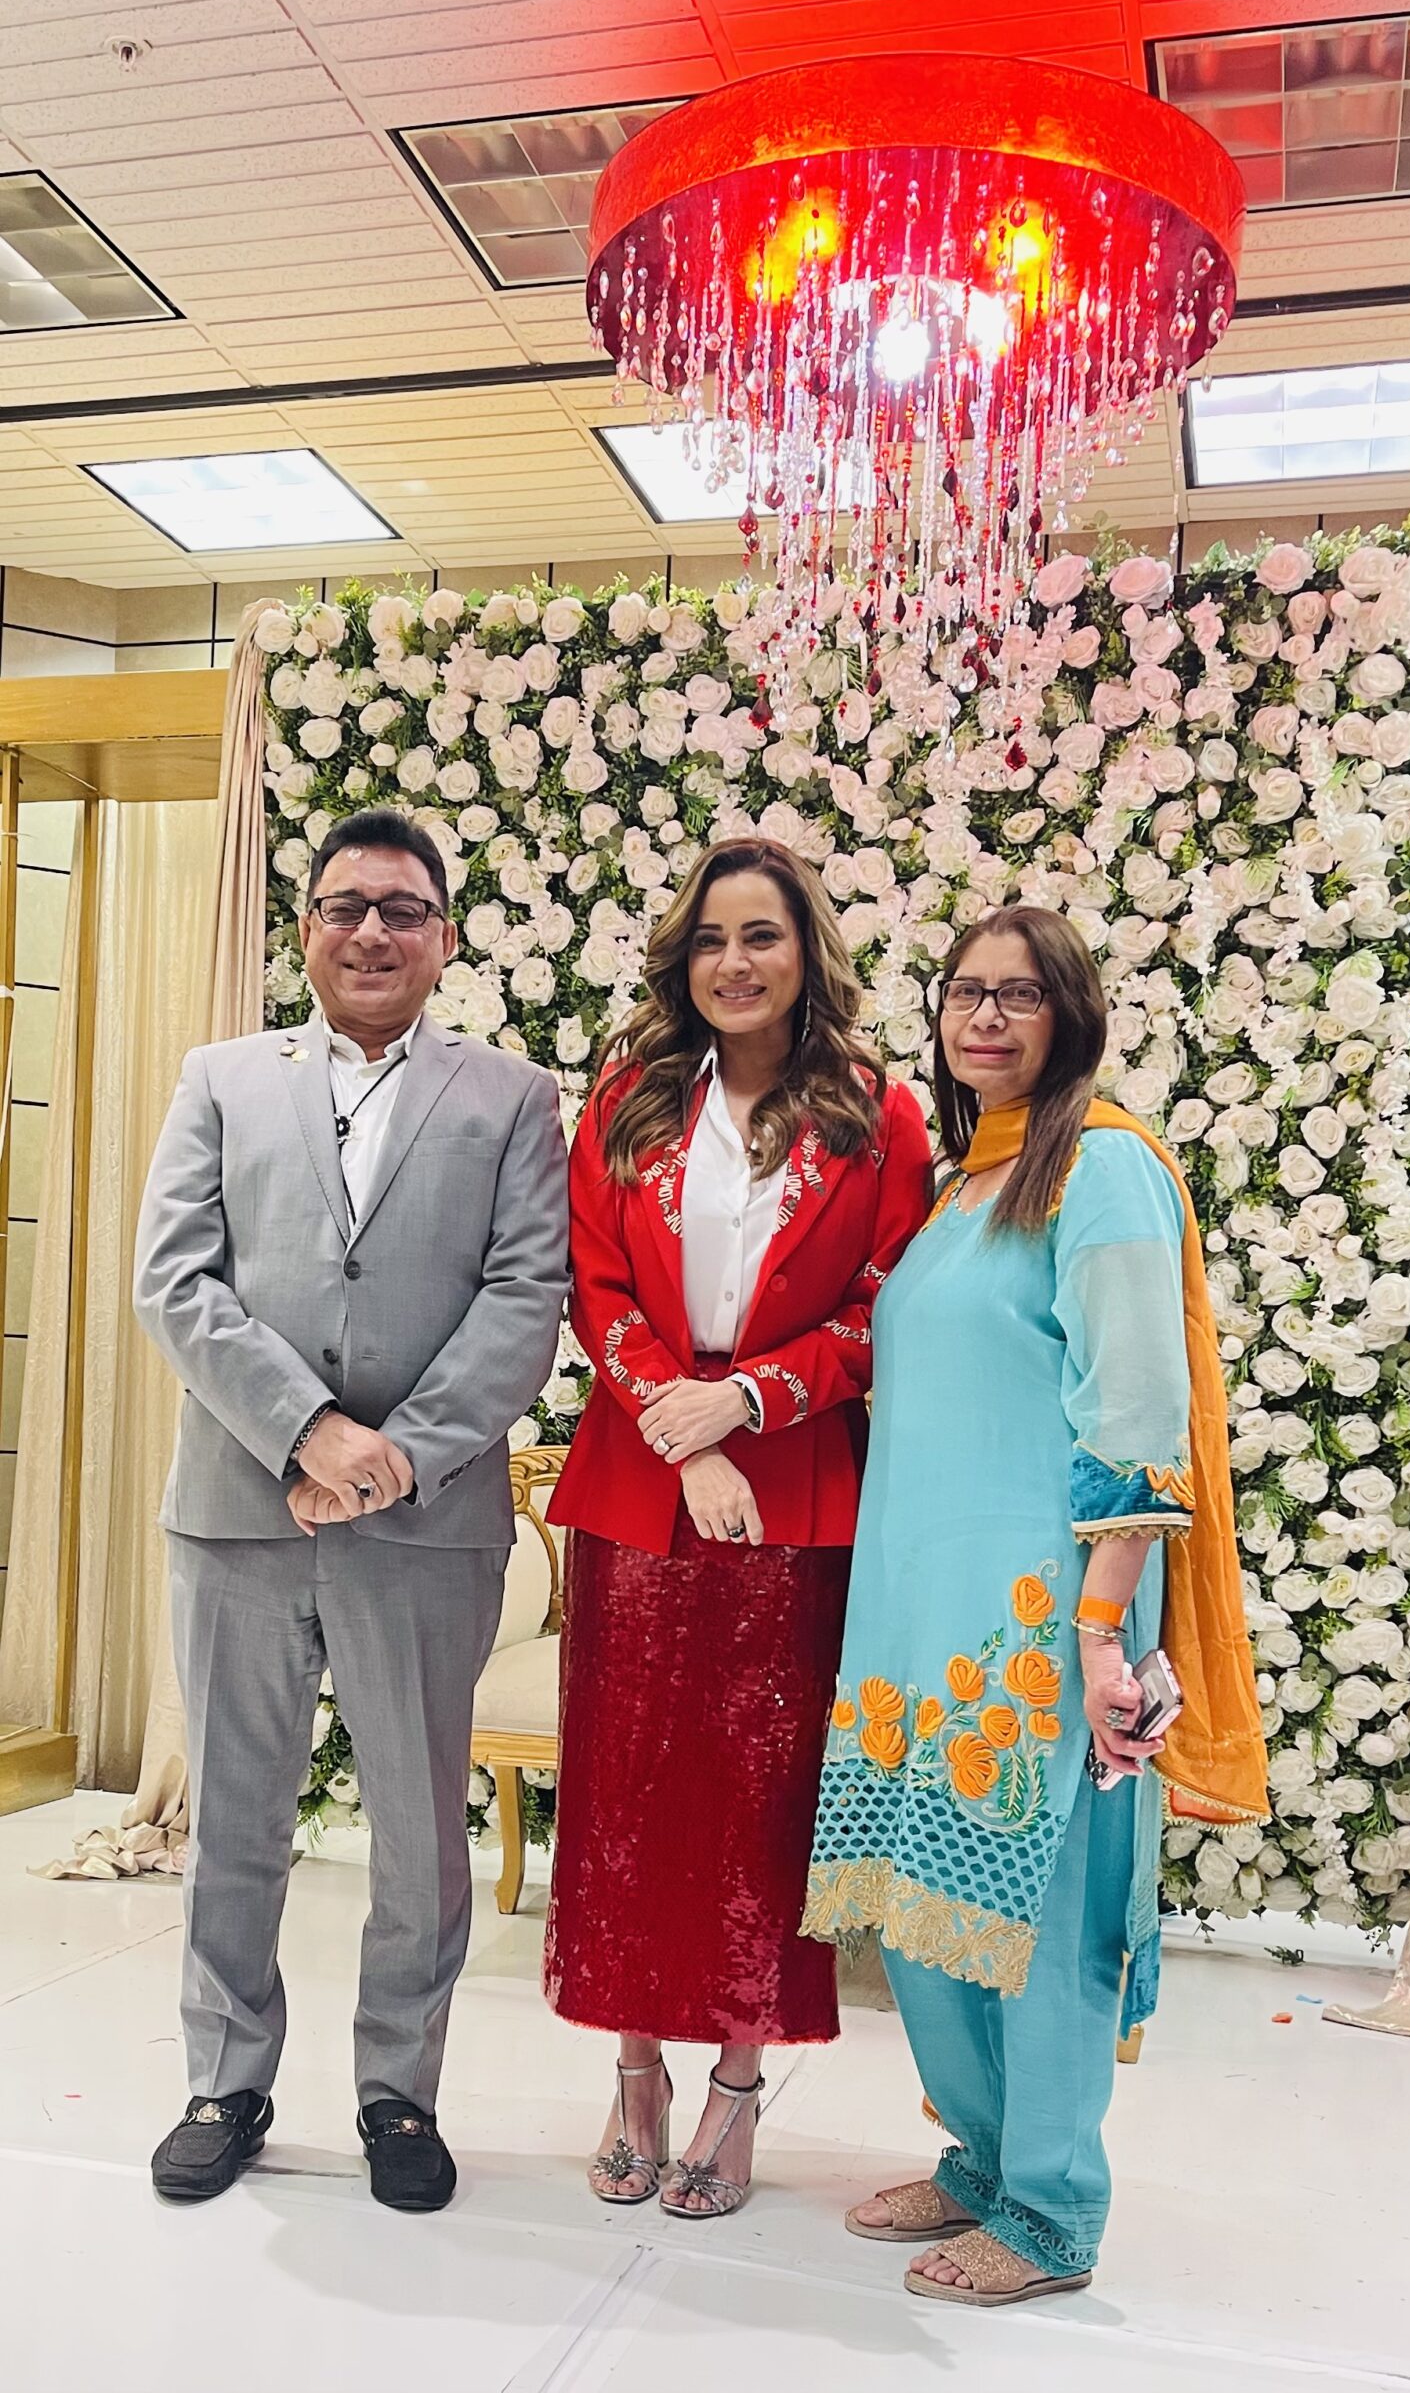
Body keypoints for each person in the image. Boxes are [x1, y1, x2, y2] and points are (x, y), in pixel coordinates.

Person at [804, 905, 1268, 2307]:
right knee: (934, 1908)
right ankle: (985, 2158)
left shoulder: (1102, 1170)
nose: (984, 1018)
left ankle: (1054, 2209)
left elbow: (1135, 1408)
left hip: (1040, 1621)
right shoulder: (964, 1184)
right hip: (912, 1612)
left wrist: (1100, 1624)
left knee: (1043, 1915)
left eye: (1018, 995)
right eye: (962, 993)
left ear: (1071, 1014)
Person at [134, 808, 568, 2213]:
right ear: (305, 929)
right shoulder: (218, 1078)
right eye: (343, 906)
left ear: (443, 937)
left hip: (424, 1528)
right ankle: (226, 2080)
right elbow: (177, 1281)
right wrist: (307, 1431)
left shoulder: (510, 1097)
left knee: (418, 1834)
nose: (370, 931)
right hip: (238, 1513)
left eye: (400, 909)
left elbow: (523, 1296)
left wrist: (399, 1454)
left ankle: (398, 2094)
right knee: (239, 1818)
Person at [544, 837, 935, 2219]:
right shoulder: (629, 1104)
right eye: (711, 940)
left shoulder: (878, 1117)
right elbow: (595, 1286)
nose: (733, 963)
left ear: (804, 952)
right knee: (626, 1792)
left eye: (760, 936)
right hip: (638, 1480)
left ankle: (736, 2082)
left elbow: (882, 1304)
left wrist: (748, 1407)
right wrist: (675, 1417)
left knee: (755, 1806)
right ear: (682, 957)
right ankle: (635, 2068)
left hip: (796, 1488)